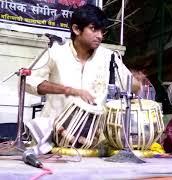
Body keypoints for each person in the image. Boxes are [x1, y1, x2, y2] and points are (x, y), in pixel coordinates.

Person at [25, 4, 142, 154]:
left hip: (92, 145)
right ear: (76, 29)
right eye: (94, 29)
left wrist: (137, 83)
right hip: (53, 142)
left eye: (102, 31)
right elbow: (29, 81)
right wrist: (69, 90)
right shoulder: (55, 53)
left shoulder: (109, 57)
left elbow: (130, 85)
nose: (100, 36)